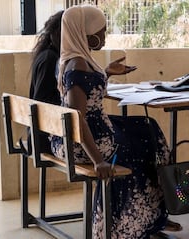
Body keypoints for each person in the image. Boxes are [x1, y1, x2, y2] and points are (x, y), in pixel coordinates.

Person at [50, 5, 172, 238]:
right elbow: (78, 118)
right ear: (85, 33)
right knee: (136, 150)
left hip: (85, 130)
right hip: (82, 139)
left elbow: (87, 94)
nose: (104, 36)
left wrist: (106, 73)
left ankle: (146, 214)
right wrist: (98, 161)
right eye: (101, 31)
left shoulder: (74, 59)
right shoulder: (77, 65)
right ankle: (121, 226)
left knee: (147, 128)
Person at [28, 10, 63, 154]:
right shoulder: (50, 59)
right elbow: (44, 102)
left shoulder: (49, 55)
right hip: (47, 138)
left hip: (43, 133)